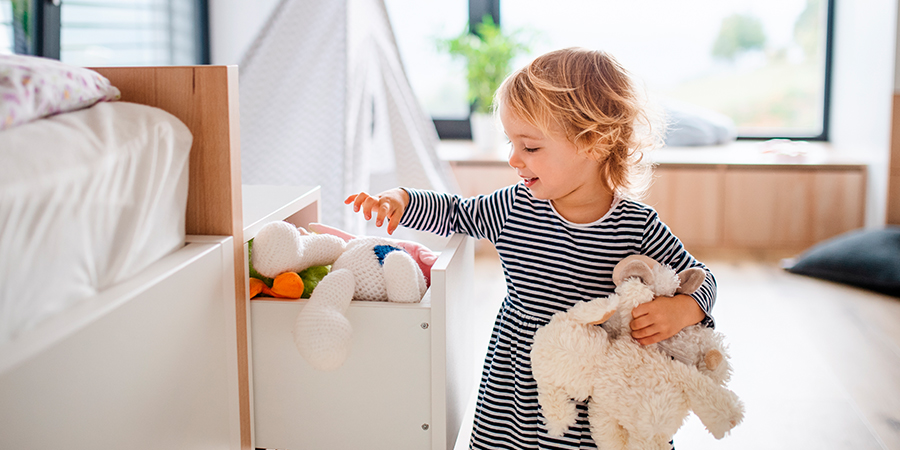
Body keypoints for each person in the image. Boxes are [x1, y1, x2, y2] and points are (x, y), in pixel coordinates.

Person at [346, 47, 716, 450]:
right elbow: (457, 213)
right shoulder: (513, 206)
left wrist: (685, 307)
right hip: (516, 375)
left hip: (595, 378)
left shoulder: (637, 224)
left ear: (593, 143)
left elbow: (700, 276)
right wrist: (403, 200)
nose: (513, 158)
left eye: (530, 147)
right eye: (510, 142)